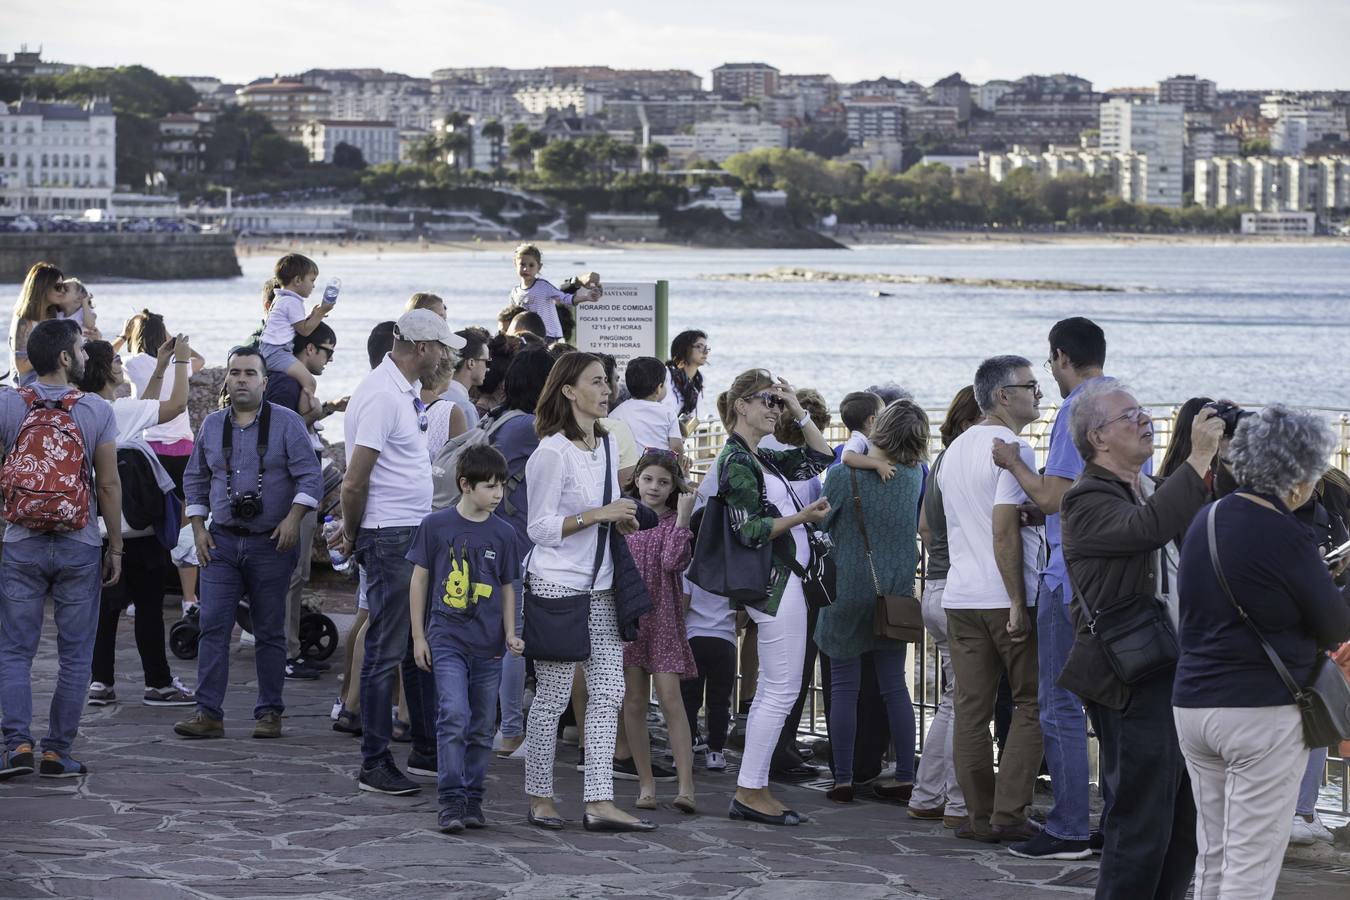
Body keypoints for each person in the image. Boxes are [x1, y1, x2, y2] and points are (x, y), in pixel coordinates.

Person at [1173, 404, 1350, 900]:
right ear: (1297, 477)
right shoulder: (1288, 535)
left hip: (1194, 704)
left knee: (1213, 856)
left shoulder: (1206, 519)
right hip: (1260, 712)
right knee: (1251, 864)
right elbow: (1335, 626)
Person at [1057, 379, 1223, 900]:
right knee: (1140, 820)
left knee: (1180, 820)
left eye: (1144, 411)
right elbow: (1146, 529)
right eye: (1130, 415)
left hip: (1173, 670)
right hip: (1131, 678)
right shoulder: (1085, 499)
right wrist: (1197, 456)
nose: (1145, 419)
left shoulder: (1146, 488)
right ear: (1098, 437)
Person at [988, 317, 1111, 859]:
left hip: (1070, 575)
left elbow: (1054, 495)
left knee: (1058, 703)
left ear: (1061, 357)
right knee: (1108, 706)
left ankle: (1067, 827)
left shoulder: (1076, 409)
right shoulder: (1124, 405)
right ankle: (1115, 818)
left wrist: (1014, 461)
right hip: (1114, 574)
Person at [522, 352, 658, 833]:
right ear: (568, 390)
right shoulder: (551, 452)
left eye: (609, 381)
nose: (607, 390)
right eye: (597, 382)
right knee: (554, 695)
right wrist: (597, 516)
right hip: (557, 585)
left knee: (609, 691)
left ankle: (599, 800)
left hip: (601, 586)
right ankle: (540, 795)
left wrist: (616, 519)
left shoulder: (602, 445)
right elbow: (537, 527)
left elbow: (599, 513)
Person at [333, 310, 466, 795]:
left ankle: (425, 748)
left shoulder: (396, 392)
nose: (450, 358)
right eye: (445, 349)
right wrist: (353, 533)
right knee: (387, 651)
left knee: (413, 644)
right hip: (389, 535)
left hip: (403, 533)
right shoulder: (384, 397)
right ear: (424, 348)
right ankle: (374, 761)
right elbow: (353, 480)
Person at [172, 345, 323, 741]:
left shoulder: (287, 423)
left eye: (250, 373)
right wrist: (198, 528)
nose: (241, 379)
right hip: (220, 543)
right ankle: (208, 713)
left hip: (271, 543)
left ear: (264, 381)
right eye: (235, 372)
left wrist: (293, 519)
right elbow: (195, 479)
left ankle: (269, 713)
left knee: (270, 632)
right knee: (212, 627)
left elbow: (311, 477)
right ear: (227, 379)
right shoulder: (212, 425)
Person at [0, 319, 122, 780]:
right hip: (78, 543)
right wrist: (115, 546)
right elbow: (108, 485)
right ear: (65, 358)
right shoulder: (94, 409)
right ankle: (56, 752)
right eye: (81, 350)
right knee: (75, 655)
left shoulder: (9, 403)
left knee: (14, 651)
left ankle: (16, 747)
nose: (88, 358)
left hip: (21, 542)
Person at [714, 369, 832, 826]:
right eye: (766, 400)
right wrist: (802, 516)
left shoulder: (763, 457)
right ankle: (749, 790)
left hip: (786, 585)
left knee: (774, 690)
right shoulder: (737, 461)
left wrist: (800, 410)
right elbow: (748, 530)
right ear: (740, 406)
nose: (774, 409)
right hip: (776, 586)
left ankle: (754, 787)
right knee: (779, 690)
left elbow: (823, 457)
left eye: (778, 402)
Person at [939, 355, 1043, 843]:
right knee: (1031, 703)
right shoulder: (1014, 447)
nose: (1038, 394)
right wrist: (1019, 602)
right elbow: (1004, 531)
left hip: (960, 595)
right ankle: (1009, 815)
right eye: (1030, 386)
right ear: (1003, 395)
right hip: (1002, 595)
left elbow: (942, 525)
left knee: (971, 710)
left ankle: (979, 817)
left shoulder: (954, 449)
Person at [409, 445, 522, 834]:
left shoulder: (504, 533)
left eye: (501, 486)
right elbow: (420, 578)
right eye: (490, 486)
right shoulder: (435, 526)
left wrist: (511, 633)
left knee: (479, 726)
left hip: (489, 646)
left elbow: (509, 586)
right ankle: (450, 798)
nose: (498, 494)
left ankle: (473, 797)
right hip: (445, 638)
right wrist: (418, 635)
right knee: (453, 715)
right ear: (465, 485)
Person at [818, 400, 927, 803]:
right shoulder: (916, 477)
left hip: (846, 589)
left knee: (844, 689)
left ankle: (844, 777)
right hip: (894, 595)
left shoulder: (843, 475)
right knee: (894, 687)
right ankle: (905, 774)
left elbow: (822, 521)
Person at [80, 337, 194, 708]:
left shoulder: (83, 409)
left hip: (95, 529)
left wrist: (158, 368)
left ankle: (100, 682)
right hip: (137, 532)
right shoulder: (118, 412)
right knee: (148, 606)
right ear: (102, 369)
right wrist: (179, 363)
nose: (119, 363)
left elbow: (142, 406)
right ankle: (158, 684)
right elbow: (175, 405)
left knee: (106, 610)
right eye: (113, 359)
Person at [911, 385, 981, 827]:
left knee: (954, 700)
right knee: (967, 701)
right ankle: (957, 802)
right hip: (959, 593)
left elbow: (923, 526)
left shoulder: (940, 462)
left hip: (934, 589)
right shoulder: (971, 460)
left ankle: (926, 794)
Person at [263, 322, 345, 681]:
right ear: (308, 349)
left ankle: (290, 648)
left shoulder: (291, 382)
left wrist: (324, 410)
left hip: (300, 487)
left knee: (298, 574)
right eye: (327, 351)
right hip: (292, 490)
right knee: (290, 574)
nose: (329, 359)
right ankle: (284, 652)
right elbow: (283, 431)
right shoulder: (286, 382)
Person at [619, 451, 698, 813]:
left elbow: (671, 562)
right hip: (630, 620)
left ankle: (685, 786)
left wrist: (683, 517)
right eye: (648, 479)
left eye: (663, 482)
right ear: (637, 478)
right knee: (632, 703)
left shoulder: (673, 524)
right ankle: (646, 783)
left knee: (670, 700)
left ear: (674, 487)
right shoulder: (622, 518)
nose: (654, 487)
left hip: (664, 619)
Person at [489, 349, 556, 758]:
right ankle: (511, 729)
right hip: (519, 543)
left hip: (499, 539)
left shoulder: (501, 419)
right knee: (514, 639)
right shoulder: (532, 428)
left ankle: (501, 724)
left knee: (503, 636)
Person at [122, 310, 208, 496]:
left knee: (153, 504)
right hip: (182, 445)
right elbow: (200, 360)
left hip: (148, 446)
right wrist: (178, 344)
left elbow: (102, 360)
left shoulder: (132, 364)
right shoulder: (180, 365)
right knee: (184, 502)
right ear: (163, 336)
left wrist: (123, 336)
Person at [258, 254, 334, 413]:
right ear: (298, 280)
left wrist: (313, 316)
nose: (313, 286)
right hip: (276, 353)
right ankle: (305, 417)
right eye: (312, 280)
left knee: (305, 381)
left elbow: (295, 325)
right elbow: (305, 331)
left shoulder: (283, 299)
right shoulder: (292, 302)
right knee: (310, 383)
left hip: (270, 351)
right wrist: (322, 312)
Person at [8, 261, 80, 387]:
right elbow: (21, 367)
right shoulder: (24, 320)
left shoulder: (54, 314)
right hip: (31, 384)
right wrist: (52, 349)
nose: (63, 291)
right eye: (58, 287)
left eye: (64, 286)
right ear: (42, 287)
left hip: (55, 378)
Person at [508, 243, 599, 342]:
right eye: (522, 264)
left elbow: (565, 298)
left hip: (549, 336)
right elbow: (513, 318)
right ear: (515, 264)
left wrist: (586, 297)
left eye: (531, 265)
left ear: (539, 267)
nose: (526, 269)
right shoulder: (515, 292)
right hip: (527, 338)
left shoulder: (543, 286)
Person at [608, 356, 683, 456]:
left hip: (630, 469)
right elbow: (676, 447)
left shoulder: (616, 414)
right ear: (658, 388)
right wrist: (680, 468)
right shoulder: (668, 412)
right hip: (661, 468)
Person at [441, 327, 491, 430]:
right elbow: (471, 445)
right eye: (486, 361)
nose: (488, 368)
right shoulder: (465, 407)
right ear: (471, 363)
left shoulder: (435, 393)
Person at [663, 329, 709, 436]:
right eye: (699, 346)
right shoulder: (666, 375)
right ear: (684, 349)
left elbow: (696, 416)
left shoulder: (699, 380)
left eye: (706, 347)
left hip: (682, 440)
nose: (705, 351)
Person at [839, 391, 893, 480]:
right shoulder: (858, 439)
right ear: (872, 420)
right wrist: (878, 464)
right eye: (883, 415)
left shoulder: (867, 439)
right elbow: (847, 457)